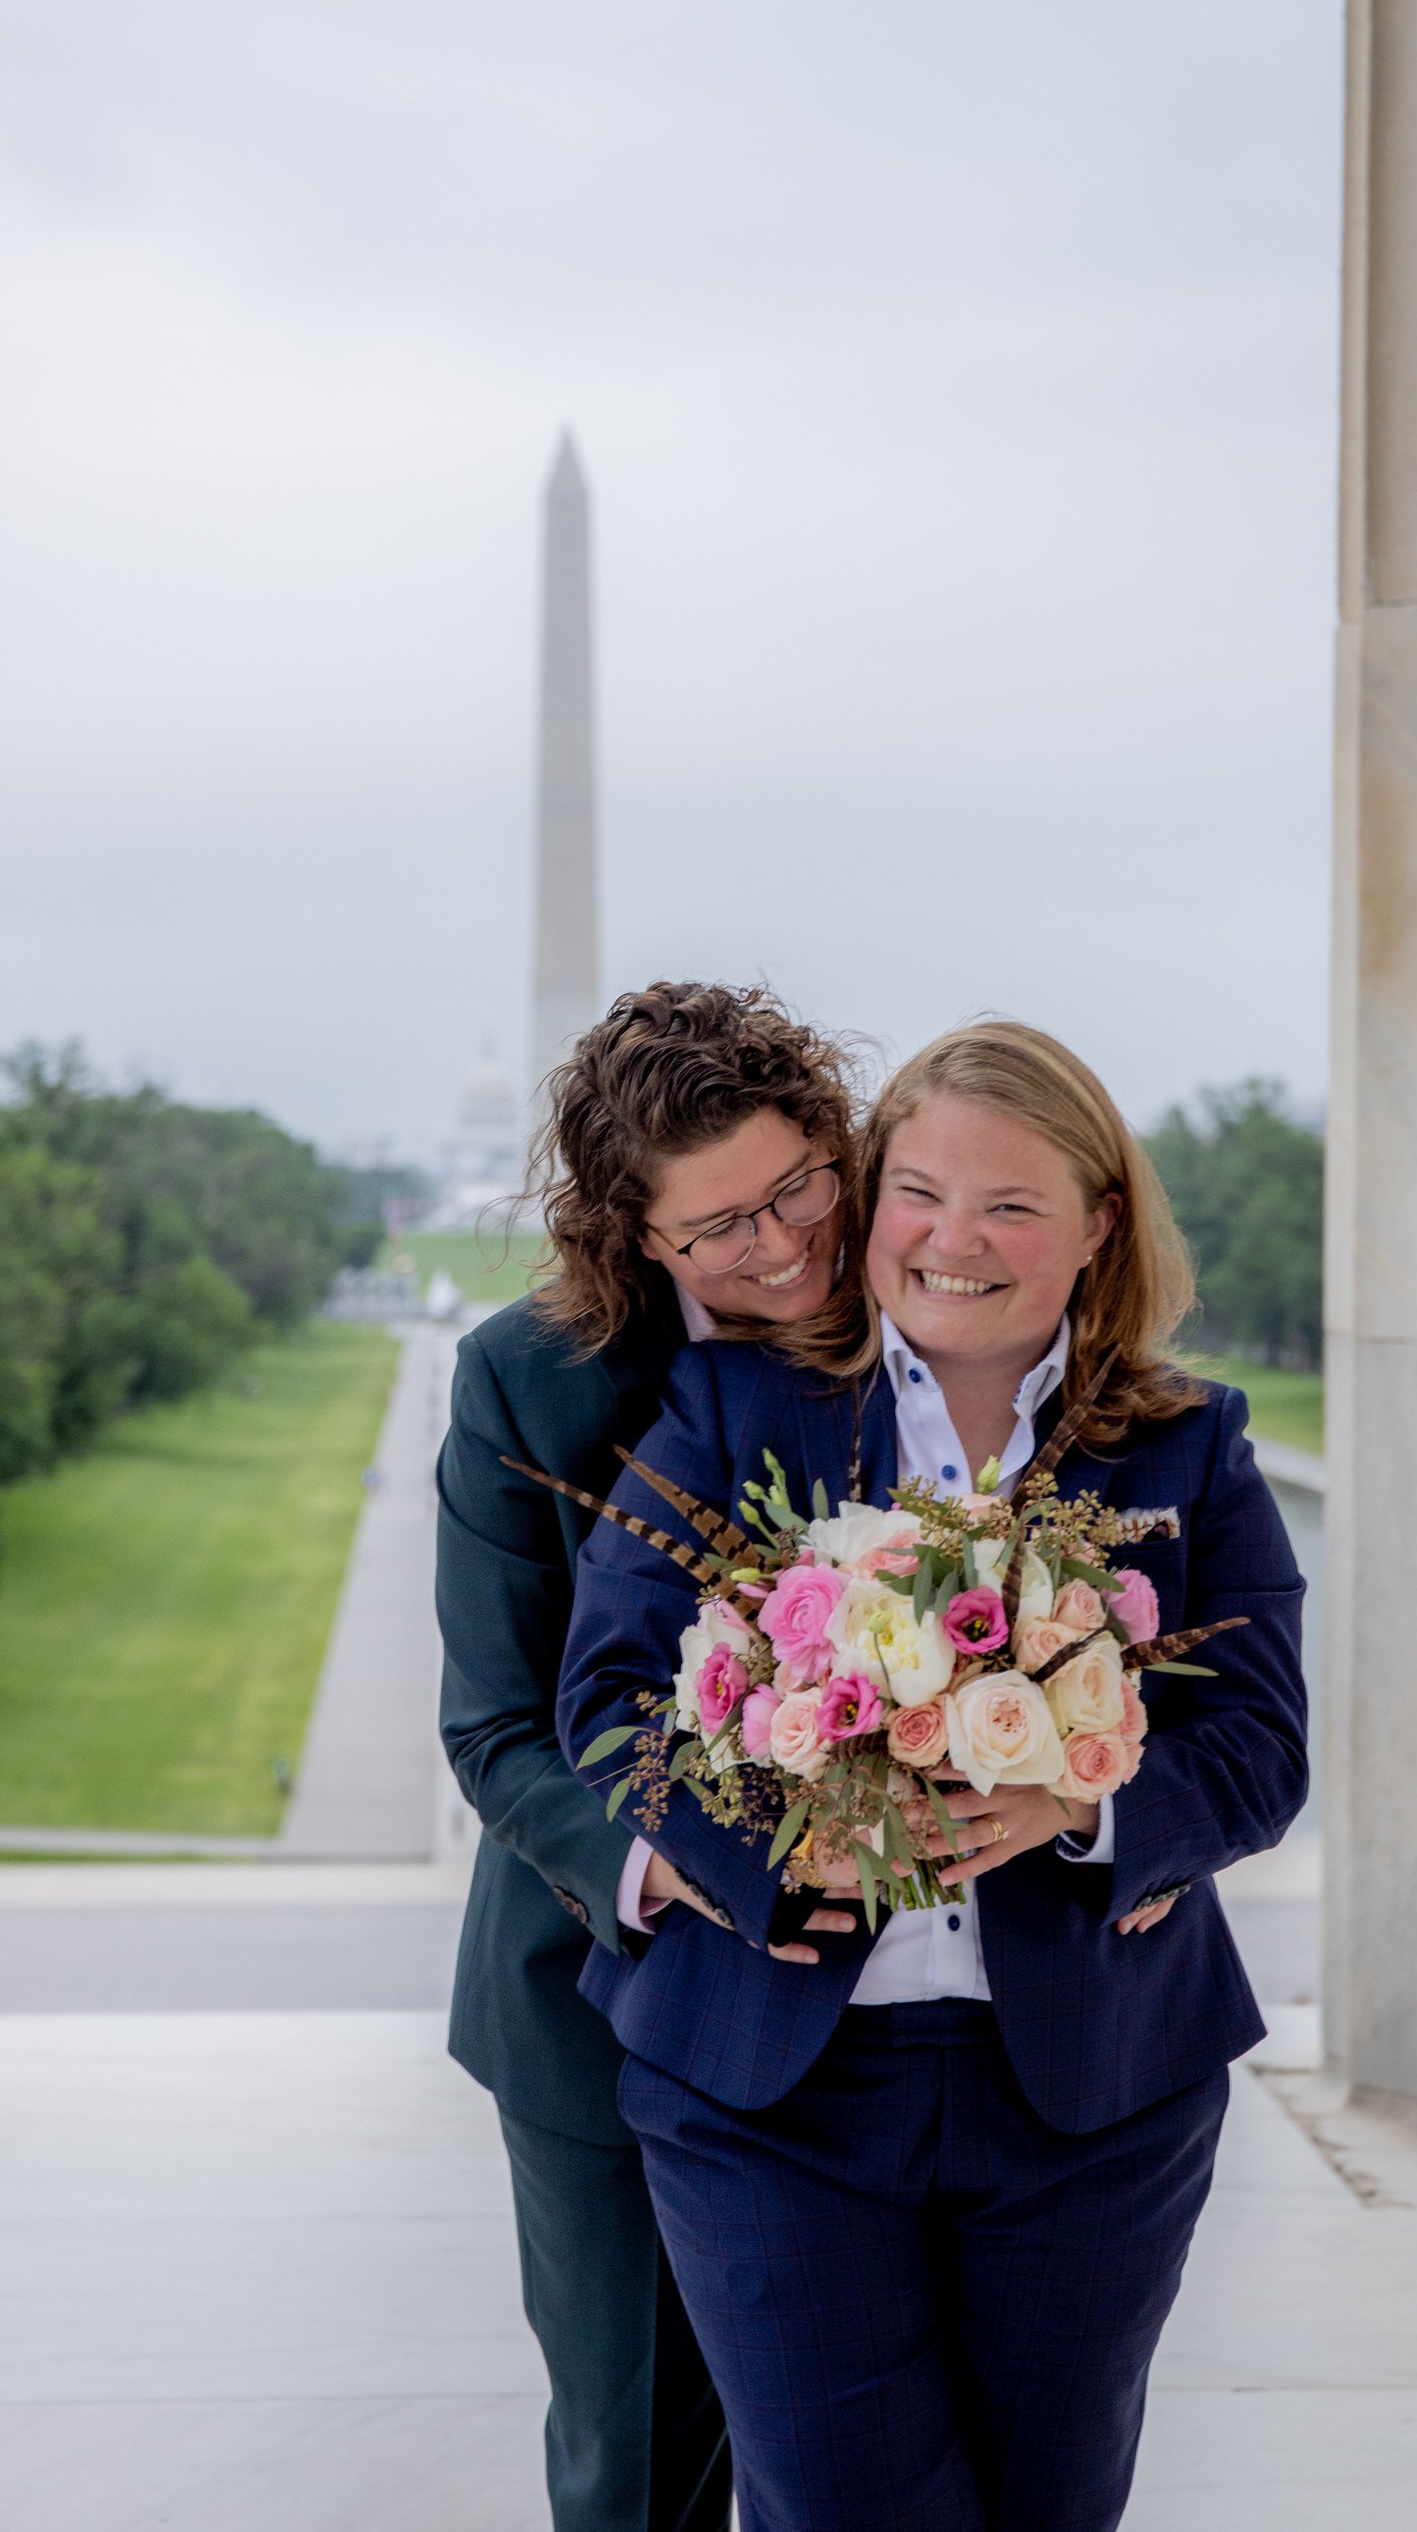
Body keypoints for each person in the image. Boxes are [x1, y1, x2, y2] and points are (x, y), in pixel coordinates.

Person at [557, 1019, 1307, 2532]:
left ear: (1099, 1225)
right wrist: (785, 1846)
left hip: (1097, 2099)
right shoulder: (731, 1408)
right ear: (869, 1198)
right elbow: (611, 1701)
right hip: (772, 2093)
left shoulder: (1189, 1444)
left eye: (1011, 1205)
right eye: (918, 1192)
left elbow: (1261, 1744)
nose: (952, 1240)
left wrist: (1081, 1804)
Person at [438, 980, 862, 2532]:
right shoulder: (525, 1378)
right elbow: (493, 1728)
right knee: (639, 2471)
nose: (781, 1247)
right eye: (718, 1227)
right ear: (634, 1235)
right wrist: (670, 1864)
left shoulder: (926, 1306)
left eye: (795, 1187)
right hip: (596, 1998)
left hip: (893, 2016)